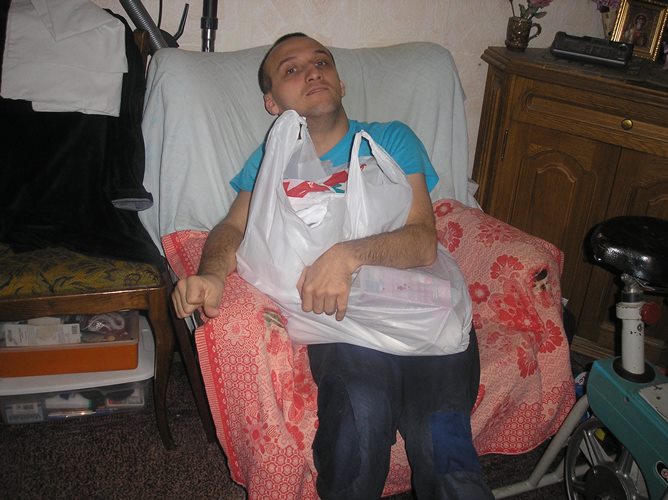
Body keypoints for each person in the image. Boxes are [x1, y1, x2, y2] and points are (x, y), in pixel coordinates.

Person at [172, 33, 493, 500]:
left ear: (341, 84)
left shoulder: (388, 140)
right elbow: (232, 227)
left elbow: (423, 242)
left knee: (442, 447)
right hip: (342, 325)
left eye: (321, 62)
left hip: (424, 313)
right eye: (291, 69)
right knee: (358, 432)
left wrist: (346, 255)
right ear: (271, 102)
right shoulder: (272, 160)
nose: (312, 72)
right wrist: (213, 274)